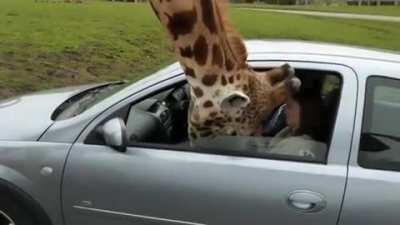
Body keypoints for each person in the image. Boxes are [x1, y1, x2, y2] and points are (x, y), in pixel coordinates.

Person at [267, 84, 328, 161]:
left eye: (289, 107)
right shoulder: (289, 133)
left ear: (306, 112)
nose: (285, 111)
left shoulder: (296, 145)